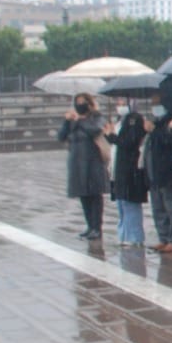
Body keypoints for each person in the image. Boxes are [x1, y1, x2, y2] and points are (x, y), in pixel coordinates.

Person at [58, 92, 108, 240]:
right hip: (76, 161)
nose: (80, 105)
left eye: (83, 102)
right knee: (83, 194)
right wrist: (67, 122)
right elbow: (61, 136)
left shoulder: (96, 117)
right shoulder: (72, 121)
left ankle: (97, 227)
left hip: (93, 160)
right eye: (77, 102)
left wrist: (80, 121)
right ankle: (89, 226)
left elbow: (95, 130)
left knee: (95, 195)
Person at [142, 92, 172, 253]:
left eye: (157, 103)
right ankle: (163, 237)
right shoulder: (155, 121)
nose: (154, 107)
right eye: (152, 103)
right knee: (158, 207)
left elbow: (170, 141)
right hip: (154, 173)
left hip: (168, 173)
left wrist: (154, 131)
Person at [107, 99, 150, 248]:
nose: (120, 106)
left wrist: (111, 136)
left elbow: (129, 142)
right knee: (121, 204)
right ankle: (124, 234)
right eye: (117, 103)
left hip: (131, 169)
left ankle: (134, 237)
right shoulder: (120, 121)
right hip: (118, 168)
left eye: (122, 102)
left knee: (130, 204)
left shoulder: (135, 119)